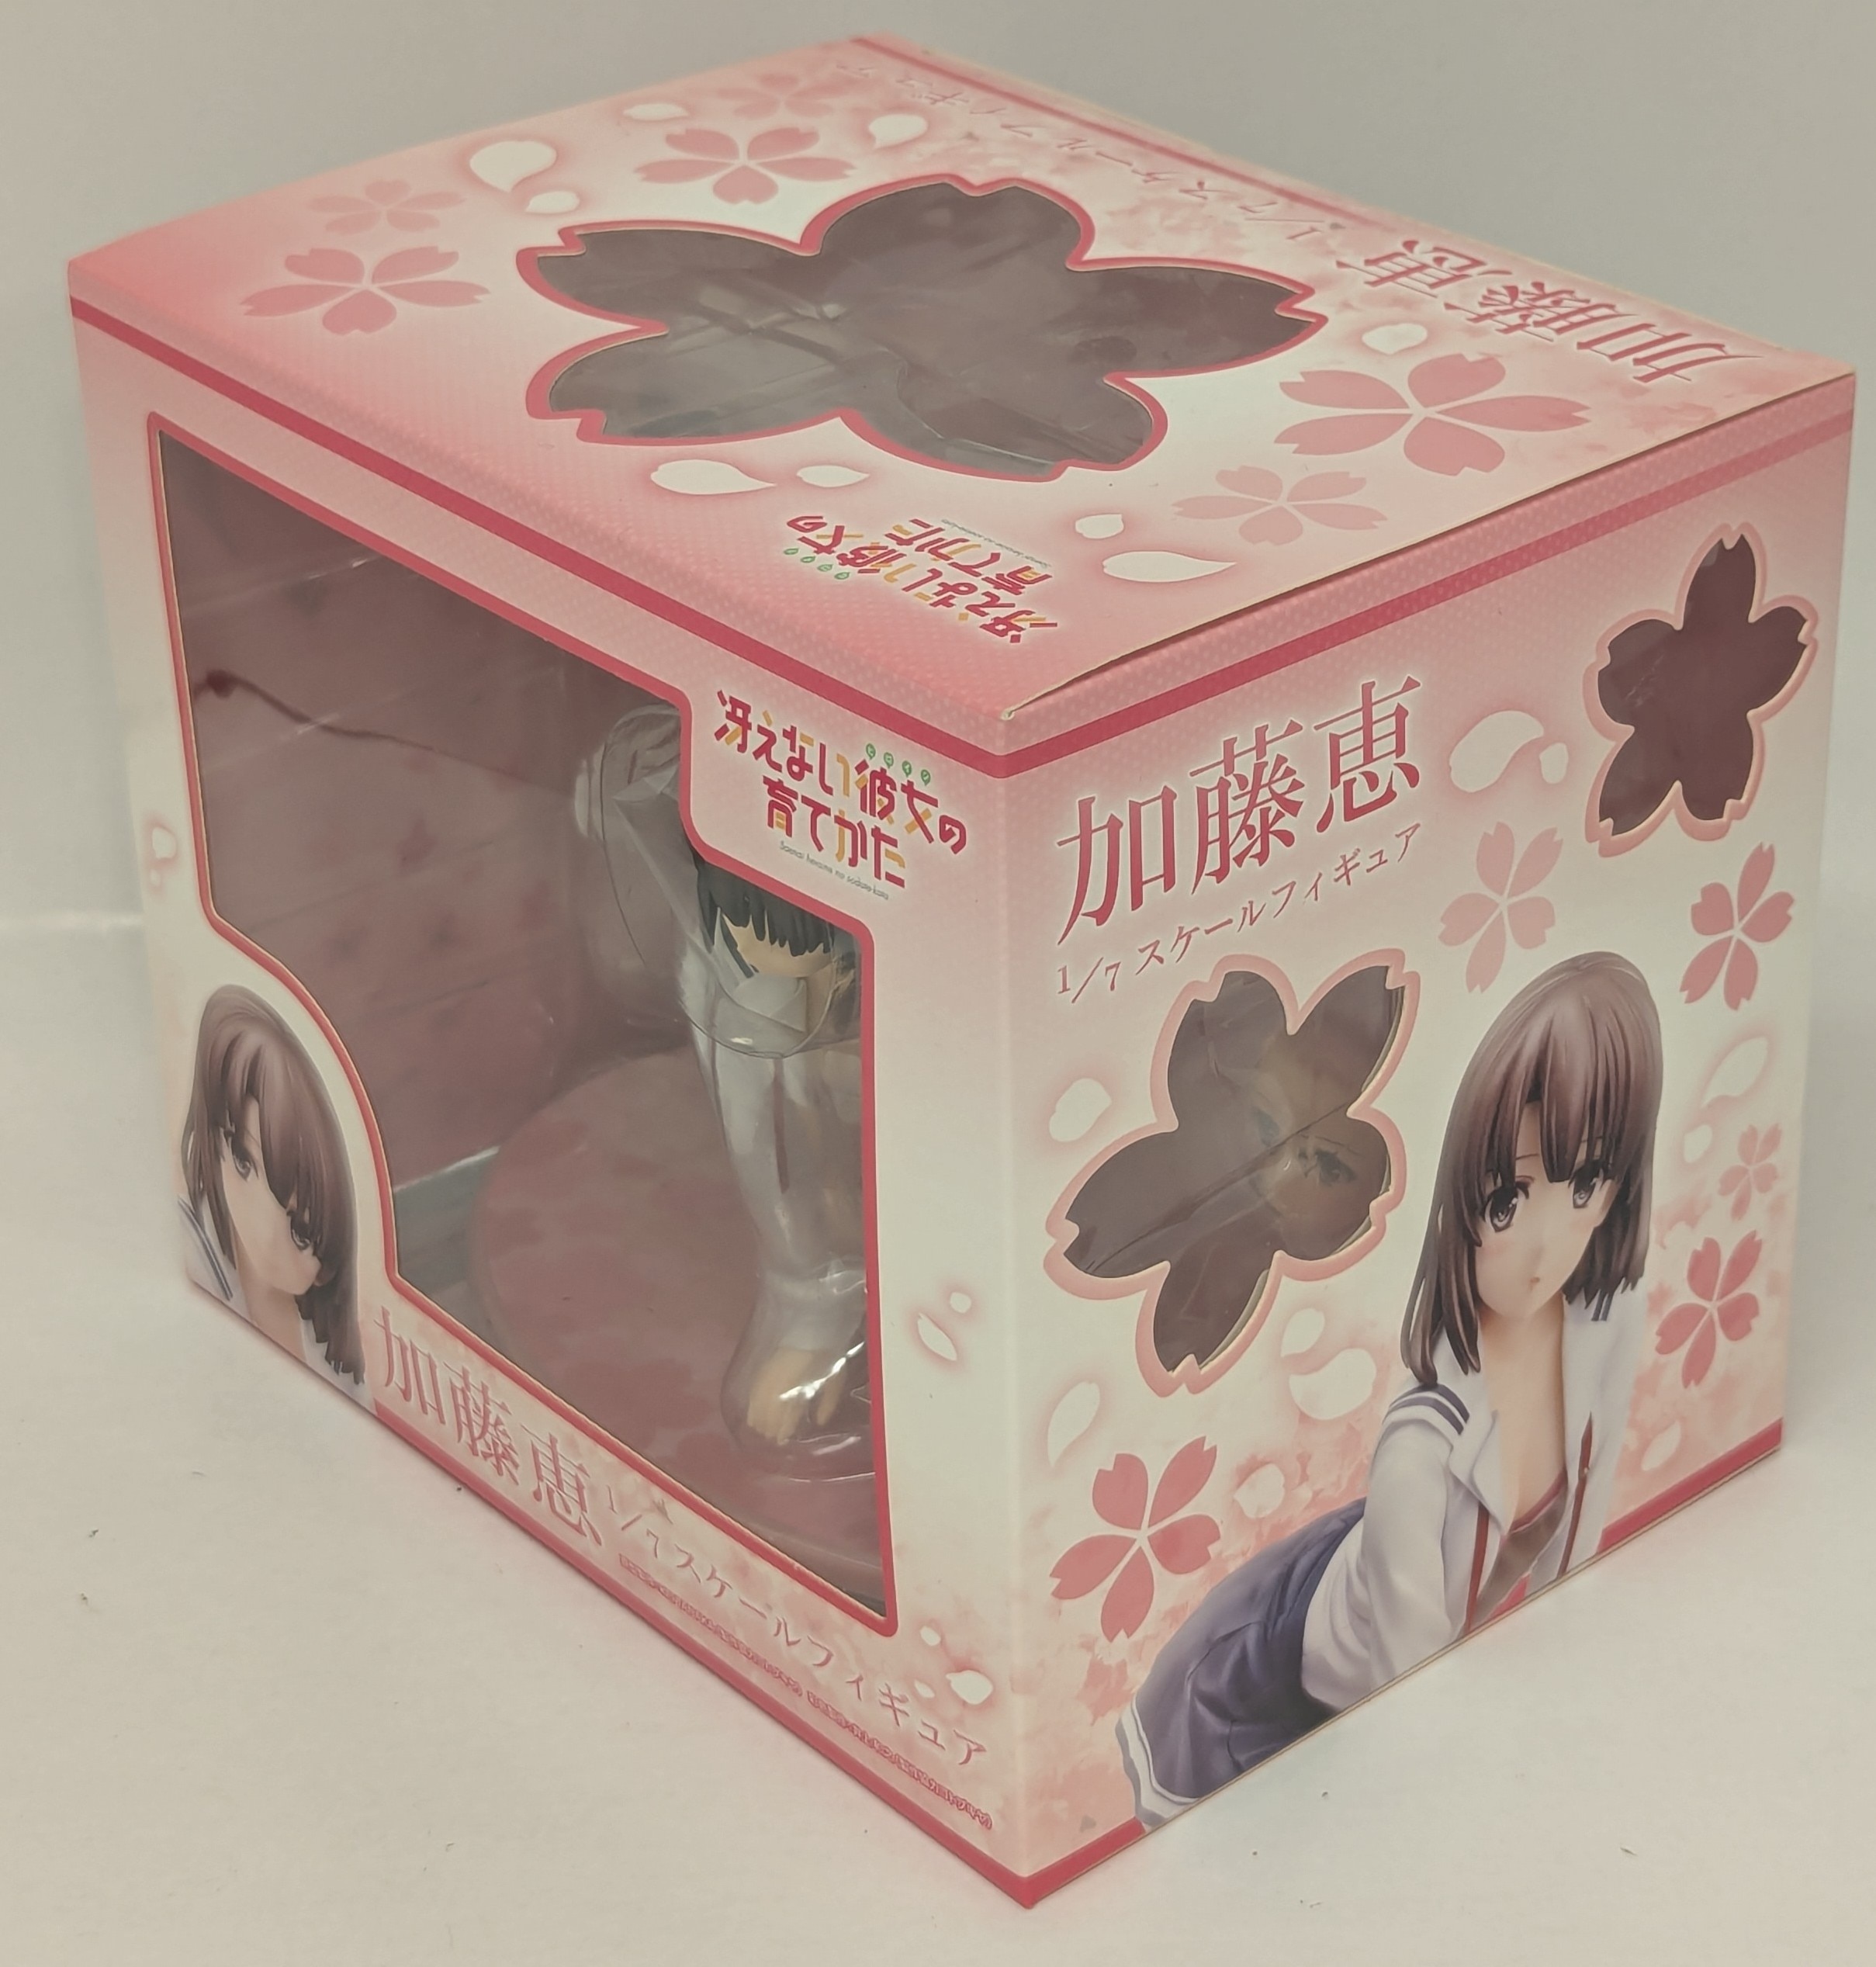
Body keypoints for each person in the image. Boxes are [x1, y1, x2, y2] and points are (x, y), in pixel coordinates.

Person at [1117, 951, 1663, 1823]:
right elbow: (1416, 1704)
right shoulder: (1420, 1447)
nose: (1543, 1248)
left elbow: (1575, 1562)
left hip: (1378, 1614)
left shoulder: (1606, 1319)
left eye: (1587, 1182)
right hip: (1267, 1678)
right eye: (1509, 1198)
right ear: (1463, 1190)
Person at [179, 984, 364, 1394]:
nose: (264, 1228)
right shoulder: (192, 1245)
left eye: (301, 1232)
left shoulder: (341, 1372)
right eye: (243, 1161)